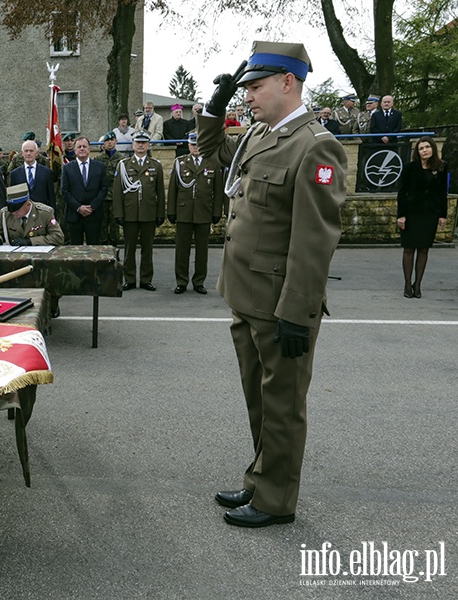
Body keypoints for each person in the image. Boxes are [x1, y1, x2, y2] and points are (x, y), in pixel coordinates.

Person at [199, 41, 346, 527]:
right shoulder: (262, 135)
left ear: (288, 82)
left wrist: (297, 311)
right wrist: (212, 112)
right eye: (244, 90)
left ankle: (276, 500)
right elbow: (214, 154)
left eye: (255, 87)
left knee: (282, 404)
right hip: (246, 295)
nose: (248, 97)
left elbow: (314, 238)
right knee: (259, 399)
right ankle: (260, 479)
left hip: (281, 304)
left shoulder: (315, 145)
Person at [167, 133, 223, 294]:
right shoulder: (180, 163)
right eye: (192, 145)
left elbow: (218, 191)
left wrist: (217, 212)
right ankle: (181, 281)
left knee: (202, 250)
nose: (195, 147)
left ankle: (199, 281)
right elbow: (173, 190)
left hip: (203, 212)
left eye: (198, 145)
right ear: (188, 146)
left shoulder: (213, 163)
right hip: (184, 212)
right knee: (182, 250)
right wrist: (171, 211)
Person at [113, 130, 165, 291]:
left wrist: (160, 214)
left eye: (144, 143)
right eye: (138, 142)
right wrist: (119, 214)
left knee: (147, 250)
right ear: (133, 145)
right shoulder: (123, 165)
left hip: (149, 213)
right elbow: (117, 192)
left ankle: (145, 279)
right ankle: (129, 279)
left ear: (149, 145)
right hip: (130, 214)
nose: (141, 145)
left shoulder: (156, 165)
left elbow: (160, 193)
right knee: (129, 249)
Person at [397, 137, 448, 299]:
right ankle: (407, 284)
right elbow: (402, 193)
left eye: (427, 147)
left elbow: (442, 193)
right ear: (417, 152)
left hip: (430, 213)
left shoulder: (441, 167)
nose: (425, 150)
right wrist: (401, 215)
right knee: (409, 248)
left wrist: (442, 215)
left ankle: (417, 284)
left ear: (433, 148)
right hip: (411, 212)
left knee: (424, 249)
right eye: (421, 148)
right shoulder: (410, 168)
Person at [61, 136, 108, 245]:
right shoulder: (67, 168)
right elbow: (65, 191)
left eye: (84, 146)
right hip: (74, 215)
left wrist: (92, 206)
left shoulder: (99, 166)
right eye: (79, 147)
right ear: (75, 150)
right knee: (75, 251)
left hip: (94, 215)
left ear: (89, 149)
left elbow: (104, 188)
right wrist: (78, 207)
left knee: (94, 249)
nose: (82, 149)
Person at [0, 183, 64, 247]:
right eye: (11, 210)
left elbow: (58, 238)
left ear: (28, 204)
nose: (13, 213)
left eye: (17, 210)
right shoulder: (5, 214)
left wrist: (30, 241)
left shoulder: (45, 213)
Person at [94, 131, 124, 245]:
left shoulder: (121, 159)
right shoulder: (98, 159)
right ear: (103, 143)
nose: (109, 143)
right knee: (102, 225)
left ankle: (114, 250)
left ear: (116, 141)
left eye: (112, 140)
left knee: (114, 226)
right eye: (107, 141)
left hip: (115, 197)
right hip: (101, 197)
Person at [8, 139, 56, 209]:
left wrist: (53, 215)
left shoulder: (47, 172)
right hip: (23, 212)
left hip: (42, 213)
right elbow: (13, 198)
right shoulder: (15, 174)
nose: (28, 153)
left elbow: (51, 196)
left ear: (37, 153)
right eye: (26, 151)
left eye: (31, 151)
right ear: (22, 153)